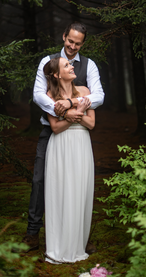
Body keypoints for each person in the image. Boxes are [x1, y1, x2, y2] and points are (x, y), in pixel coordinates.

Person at [21, 22, 105, 252]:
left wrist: (71, 102)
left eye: (78, 44)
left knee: (78, 182)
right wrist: (62, 111)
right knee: (40, 180)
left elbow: (99, 96)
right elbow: (39, 95)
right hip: (52, 129)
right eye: (70, 41)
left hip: (79, 135)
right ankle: (33, 232)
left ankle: (80, 236)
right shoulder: (47, 62)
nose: (73, 47)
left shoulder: (89, 66)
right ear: (64, 37)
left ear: (83, 44)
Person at [42, 57, 95, 264]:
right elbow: (55, 127)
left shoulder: (85, 91)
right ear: (57, 75)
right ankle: (58, 247)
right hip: (60, 146)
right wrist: (74, 116)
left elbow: (91, 124)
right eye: (67, 65)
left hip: (81, 144)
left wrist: (78, 114)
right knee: (61, 192)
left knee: (80, 191)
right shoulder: (49, 96)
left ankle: (77, 245)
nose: (72, 67)